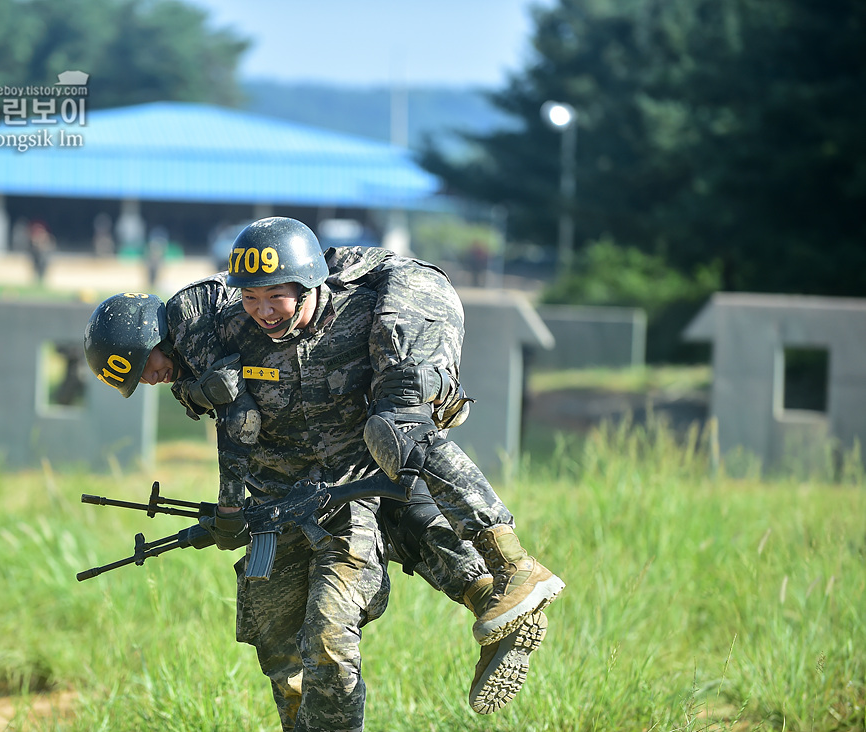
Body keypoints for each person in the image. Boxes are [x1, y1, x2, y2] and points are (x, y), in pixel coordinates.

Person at [85, 220, 560, 718]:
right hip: (293, 495)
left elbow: (241, 417)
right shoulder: (207, 354)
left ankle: (513, 565)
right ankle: (490, 601)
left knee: (396, 442)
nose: (152, 377)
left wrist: (228, 505)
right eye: (252, 298)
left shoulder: (327, 308)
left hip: (355, 461)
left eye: (148, 363)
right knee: (284, 644)